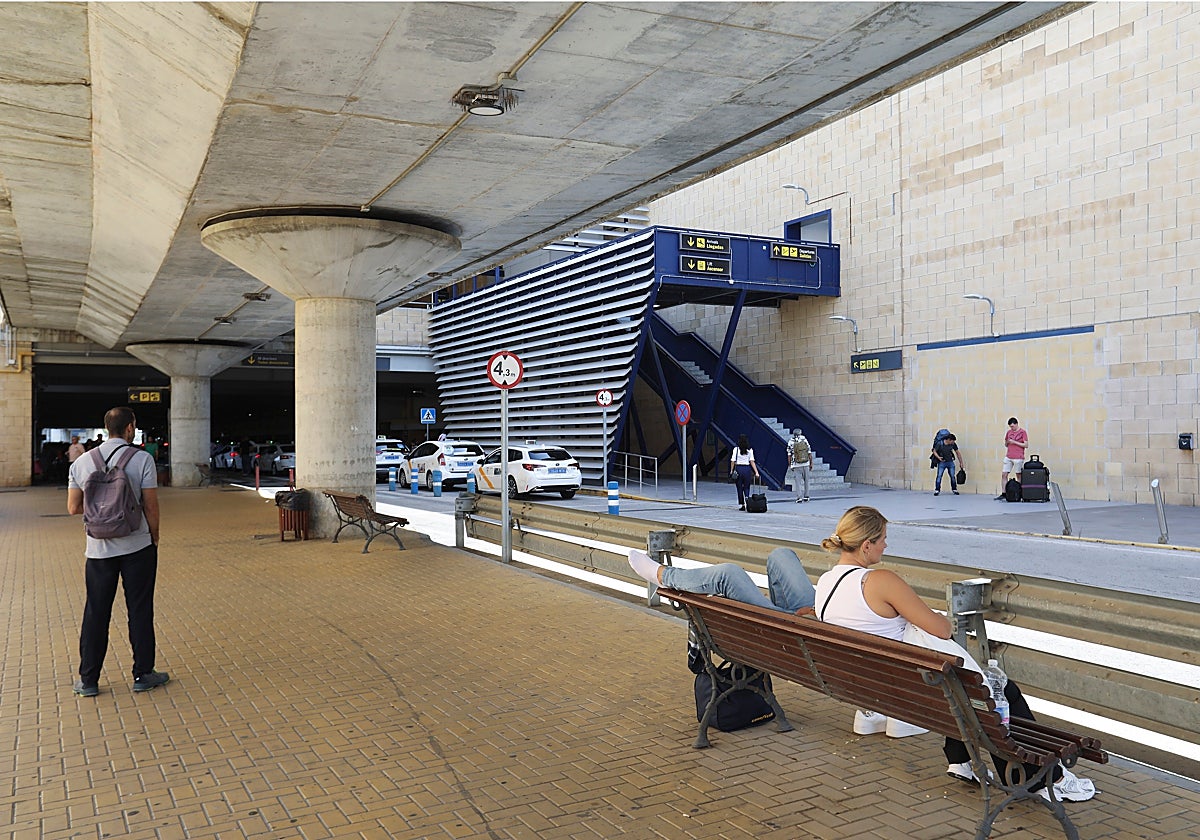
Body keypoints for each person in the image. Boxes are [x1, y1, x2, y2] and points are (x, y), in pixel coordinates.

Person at [813, 506, 1094, 801]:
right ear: (866, 545)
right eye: (883, 538)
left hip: (871, 686)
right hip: (914, 690)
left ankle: (959, 759)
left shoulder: (827, 583)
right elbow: (942, 629)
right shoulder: (879, 580)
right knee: (999, 692)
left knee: (965, 686)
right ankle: (1045, 778)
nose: (886, 544)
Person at [66, 406, 169, 697]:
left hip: (98, 551)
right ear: (129, 428)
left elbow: (73, 507)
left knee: (96, 611)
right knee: (139, 609)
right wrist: (154, 536)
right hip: (137, 546)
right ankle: (143, 674)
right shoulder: (142, 459)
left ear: (106, 427)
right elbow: (150, 505)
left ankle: (88, 680)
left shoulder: (83, 462)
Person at [628, 546, 815, 617]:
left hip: (810, 636)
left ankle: (663, 576)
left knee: (728, 574)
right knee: (781, 555)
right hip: (817, 625)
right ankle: (784, 614)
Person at [996, 417, 1028, 500]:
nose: (1012, 428)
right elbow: (1006, 444)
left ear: (1017, 424)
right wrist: (1007, 442)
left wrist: (1014, 442)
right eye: (1010, 427)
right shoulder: (1009, 432)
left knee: (1018, 475)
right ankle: (1004, 493)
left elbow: (1026, 445)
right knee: (1004, 474)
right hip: (1009, 456)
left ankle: (1019, 493)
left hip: (1018, 456)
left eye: (1013, 426)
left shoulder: (1023, 432)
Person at [729, 434, 759, 510]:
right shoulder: (750, 450)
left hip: (738, 468)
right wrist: (756, 472)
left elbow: (733, 461)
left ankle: (741, 504)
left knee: (739, 487)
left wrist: (731, 470)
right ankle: (747, 498)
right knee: (747, 486)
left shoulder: (736, 449)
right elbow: (752, 461)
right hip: (747, 469)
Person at [787, 428, 814, 503]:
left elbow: (789, 455)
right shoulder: (804, 440)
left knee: (798, 482)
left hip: (796, 465)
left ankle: (799, 497)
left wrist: (790, 465)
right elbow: (809, 452)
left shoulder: (791, 442)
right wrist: (811, 463)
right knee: (806, 481)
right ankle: (807, 496)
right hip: (806, 463)